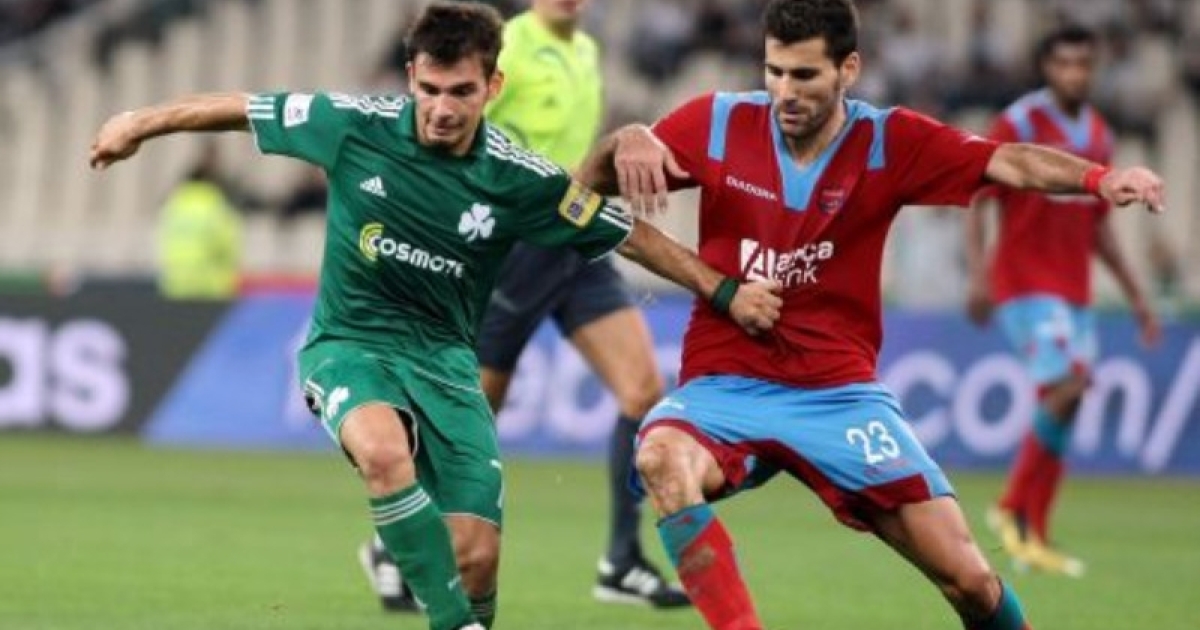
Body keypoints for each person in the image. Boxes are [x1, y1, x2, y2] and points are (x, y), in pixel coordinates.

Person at [88, 4, 783, 630]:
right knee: (383, 454)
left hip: (448, 364)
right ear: (411, 78)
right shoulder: (355, 126)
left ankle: (454, 606)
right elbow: (245, 106)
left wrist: (723, 291)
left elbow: (625, 233)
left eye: (461, 92)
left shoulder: (518, 178)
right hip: (350, 345)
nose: (442, 108)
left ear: (492, 87)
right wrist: (138, 123)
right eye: (429, 89)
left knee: (476, 558)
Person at [576, 0, 1165, 628]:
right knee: (661, 458)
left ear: (848, 69)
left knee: (969, 580)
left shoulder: (889, 141)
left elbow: (1009, 161)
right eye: (774, 71)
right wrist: (627, 138)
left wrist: (1100, 179)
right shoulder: (716, 124)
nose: (784, 92)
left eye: (804, 75)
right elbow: (585, 188)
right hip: (727, 387)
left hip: (838, 395)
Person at [357, 0, 689, 612]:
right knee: (472, 412)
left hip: (572, 244)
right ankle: (390, 542)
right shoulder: (506, 47)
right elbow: (451, 136)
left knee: (644, 394)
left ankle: (620, 560)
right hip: (511, 249)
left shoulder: (585, 50)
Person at [965, 25, 1161, 577]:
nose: (1074, 73)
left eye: (1083, 64)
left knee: (1067, 403)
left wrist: (1137, 296)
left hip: (1074, 290)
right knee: (1067, 387)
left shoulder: (1098, 134)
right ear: (1046, 68)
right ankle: (1010, 508)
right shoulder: (1020, 124)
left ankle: (1035, 533)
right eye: (1064, 63)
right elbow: (978, 197)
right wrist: (978, 275)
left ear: (1094, 68)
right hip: (1024, 283)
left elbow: (1100, 228)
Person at [157, 142, 242, 299]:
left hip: (175, 286)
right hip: (209, 288)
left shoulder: (176, 202)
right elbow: (227, 245)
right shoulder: (216, 205)